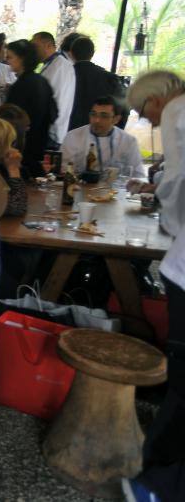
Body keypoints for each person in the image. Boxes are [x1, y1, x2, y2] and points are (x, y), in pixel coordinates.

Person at [123, 70, 185, 502]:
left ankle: (156, 477)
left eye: (143, 111)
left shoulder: (178, 111)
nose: (147, 120)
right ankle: (157, 476)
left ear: (156, 99)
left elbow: (178, 183)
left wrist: (172, 222)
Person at [0, 40, 57, 177]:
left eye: (10, 57)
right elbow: (54, 113)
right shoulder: (41, 81)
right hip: (39, 145)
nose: (7, 60)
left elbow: (7, 118)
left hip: (23, 149)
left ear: (22, 59)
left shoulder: (22, 85)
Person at [61, 96, 143, 177]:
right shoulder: (73, 137)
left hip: (116, 185)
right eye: (93, 114)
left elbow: (138, 175)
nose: (97, 120)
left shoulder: (129, 141)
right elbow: (64, 171)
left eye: (104, 116)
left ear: (116, 119)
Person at [68, 37, 123, 130]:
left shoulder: (64, 76)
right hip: (99, 130)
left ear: (71, 54)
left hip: (68, 131)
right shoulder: (109, 78)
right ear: (92, 53)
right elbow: (122, 108)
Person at [32, 31, 75, 147]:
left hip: (52, 132)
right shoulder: (53, 64)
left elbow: (55, 100)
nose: (33, 50)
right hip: (49, 129)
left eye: (35, 46)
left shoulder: (60, 66)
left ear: (48, 45)